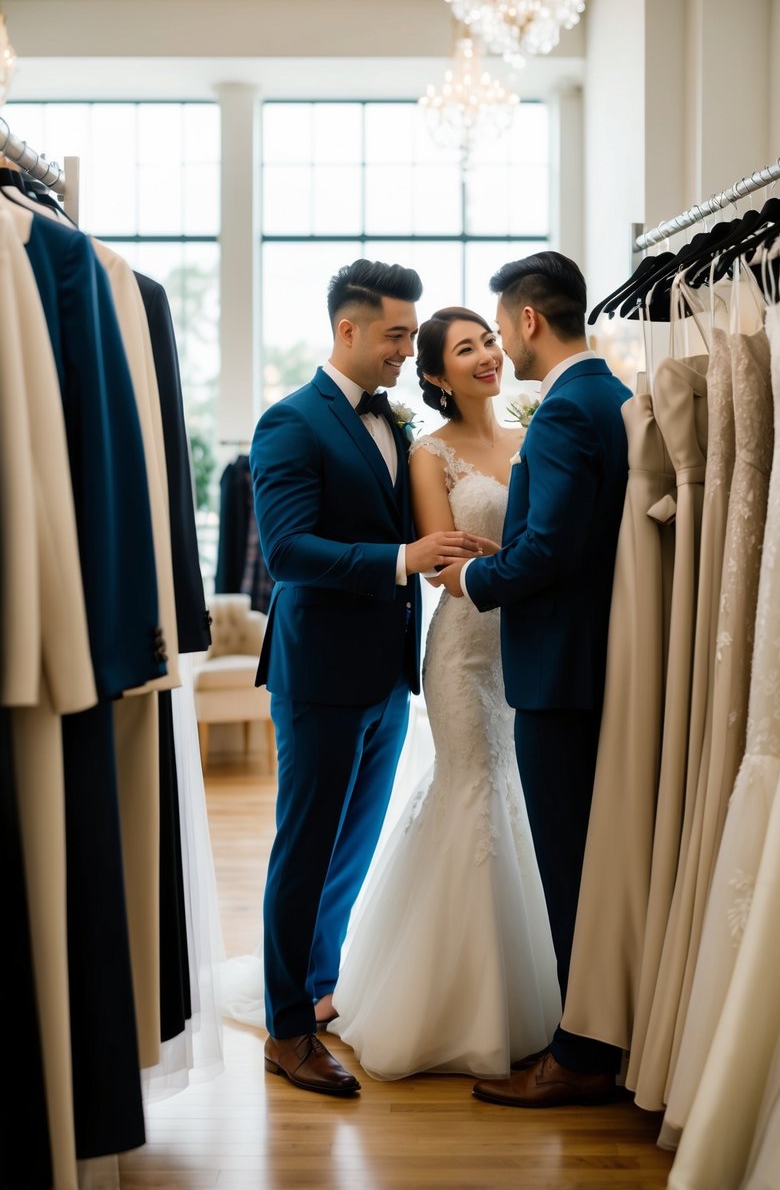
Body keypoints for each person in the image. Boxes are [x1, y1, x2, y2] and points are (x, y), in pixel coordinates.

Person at [250, 260, 485, 1096]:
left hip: (388, 673)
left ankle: (317, 994)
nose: (404, 347)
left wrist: (452, 548)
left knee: (349, 849)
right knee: (305, 849)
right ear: (346, 331)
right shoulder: (289, 422)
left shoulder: (393, 420)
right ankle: (284, 1033)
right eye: (393, 333)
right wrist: (399, 559)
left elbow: (416, 528)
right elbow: (286, 553)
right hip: (317, 673)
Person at [329, 307, 560, 1079]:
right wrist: (515, 556)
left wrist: (513, 557)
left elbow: (535, 545)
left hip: (518, 648)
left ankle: (526, 990)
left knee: (511, 796)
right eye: (466, 349)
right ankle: (446, 1005)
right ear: (435, 374)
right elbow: (441, 563)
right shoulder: (431, 455)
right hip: (462, 653)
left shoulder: (531, 442)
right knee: (472, 789)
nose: (488, 355)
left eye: (489, 340)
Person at [440, 251, 631, 1107]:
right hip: (607, 657)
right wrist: (511, 552)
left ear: (526, 321)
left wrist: (476, 580)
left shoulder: (559, 415)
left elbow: (551, 551)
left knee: (569, 865)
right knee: (599, 856)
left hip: (559, 674)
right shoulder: (614, 398)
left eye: (499, 326)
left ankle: (580, 1054)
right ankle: (601, 1032)